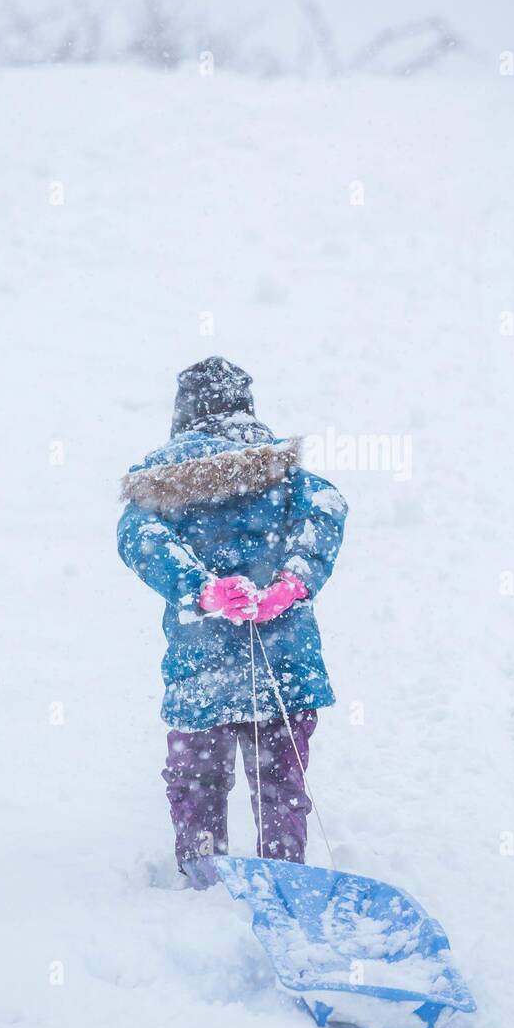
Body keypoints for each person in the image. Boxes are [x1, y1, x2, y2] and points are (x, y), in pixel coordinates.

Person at [117, 356, 347, 885]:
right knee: (281, 785)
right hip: (284, 667)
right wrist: (291, 581)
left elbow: (138, 540)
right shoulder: (284, 474)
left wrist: (201, 590)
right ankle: (286, 881)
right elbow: (329, 508)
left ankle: (204, 881)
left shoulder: (160, 486)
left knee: (196, 779)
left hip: (202, 668)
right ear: (246, 408)